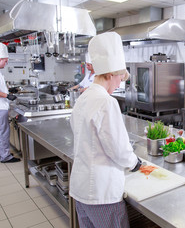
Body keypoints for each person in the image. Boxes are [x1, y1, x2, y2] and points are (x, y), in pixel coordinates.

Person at [69, 32, 142, 228]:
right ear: (110, 74)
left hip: (80, 189)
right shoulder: (106, 102)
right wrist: (135, 163)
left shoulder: (84, 97)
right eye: (119, 78)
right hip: (102, 194)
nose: (119, 83)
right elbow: (118, 148)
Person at [0, 43, 20, 163]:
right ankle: (6, 156)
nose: (6, 63)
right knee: (2, 133)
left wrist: (8, 90)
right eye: (5, 61)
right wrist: (7, 95)